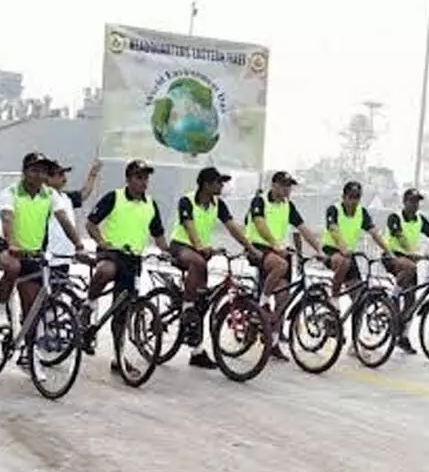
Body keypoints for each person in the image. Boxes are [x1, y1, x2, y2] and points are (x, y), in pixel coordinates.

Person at [84, 159, 171, 377]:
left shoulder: (150, 204)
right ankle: (89, 304)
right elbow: (91, 223)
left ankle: (119, 358)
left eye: (146, 178)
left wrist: (166, 252)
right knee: (105, 271)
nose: (144, 182)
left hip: (133, 260)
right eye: (139, 177)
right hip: (111, 253)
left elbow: (158, 234)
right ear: (128, 179)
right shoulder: (115, 197)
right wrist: (101, 241)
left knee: (122, 312)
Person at [168, 166, 261, 369]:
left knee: (203, 300)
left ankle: (197, 351)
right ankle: (186, 308)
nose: (222, 186)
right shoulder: (187, 201)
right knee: (197, 265)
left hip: (202, 252)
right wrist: (199, 246)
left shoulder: (218, 204)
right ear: (206, 184)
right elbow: (189, 225)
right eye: (218, 182)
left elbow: (232, 227)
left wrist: (250, 247)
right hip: (182, 246)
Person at [0, 152, 85, 332]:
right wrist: (12, 243)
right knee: (13, 267)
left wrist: (79, 245)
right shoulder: (10, 192)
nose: (39, 175)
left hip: (33, 254)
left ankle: (28, 350)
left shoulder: (49, 194)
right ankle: (0, 310)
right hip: (8, 249)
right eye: (34, 170)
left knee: (31, 308)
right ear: (24, 172)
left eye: (43, 171)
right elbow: (7, 219)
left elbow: (64, 220)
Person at [244, 171, 322, 360]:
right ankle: (262, 304)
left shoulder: (288, 206)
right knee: (280, 265)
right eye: (284, 185)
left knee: (283, 299)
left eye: (290, 186)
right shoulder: (259, 201)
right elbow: (259, 223)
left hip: (279, 252)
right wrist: (274, 244)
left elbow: (303, 229)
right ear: (274, 185)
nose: (288, 189)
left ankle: (274, 342)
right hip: (259, 248)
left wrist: (320, 250)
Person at [384, 188, 429, 353]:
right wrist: (411, 252)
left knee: (412, 301)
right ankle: (393, 297)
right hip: (392, 256)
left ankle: (403, 336)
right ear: (404, 202)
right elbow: (400, 236)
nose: (415, 205)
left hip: (410, 259)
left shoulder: (421, 220)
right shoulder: (395, 217)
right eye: (411, 201)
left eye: (417, 202)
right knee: (410, 268)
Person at [321, 181, 392, 296]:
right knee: (343, 262)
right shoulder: (334, 209)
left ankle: (356, 312)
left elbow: (374, 233)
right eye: (351, 197)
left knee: (358, 295)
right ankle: (334, 296)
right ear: (343, 197)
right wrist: (343, 248)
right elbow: (333, 230)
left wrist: (388, 252)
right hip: (331, 250)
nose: (354, 201)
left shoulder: (361, 212)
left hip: (349, 254)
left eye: (357, 197)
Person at [45, 157, 102, 281]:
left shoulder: (66, 197)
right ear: (47, 179)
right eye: (59, 174)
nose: (64, 178)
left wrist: (93, 175)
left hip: (64, 255)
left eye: (64, 174)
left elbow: (84, 194)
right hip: (50, 256)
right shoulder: (45, 197)